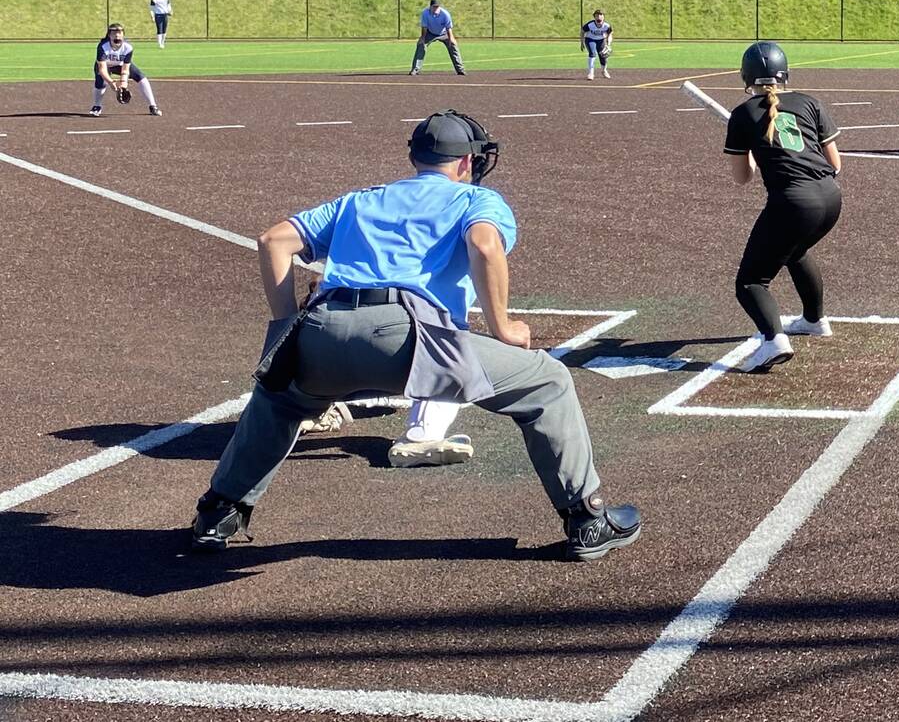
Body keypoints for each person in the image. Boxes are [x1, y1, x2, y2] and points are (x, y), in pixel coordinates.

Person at [188, 110, 641, 560]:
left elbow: (274, 241)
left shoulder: (360, 199)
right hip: (410, 336)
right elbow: (484, 246)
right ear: (466, 163)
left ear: (417, 158)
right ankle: (587, 519)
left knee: (281, 401)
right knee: (549, 381)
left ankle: (219, 513)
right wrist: (503, 326)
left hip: (324, 329)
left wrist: (287, 329)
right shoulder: (475, 201)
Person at [723, 42, 843, 373]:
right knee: (794, 251)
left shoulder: (744, 113)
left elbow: (742, 178)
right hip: (831, 197)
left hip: (793, 202)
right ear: (784, 73)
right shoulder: (809, 102)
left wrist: (750, 152)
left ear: (746, 77)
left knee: (750, 281)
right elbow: (835, 163)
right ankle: (814, 320)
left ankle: (773, 339)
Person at [90, 23, 160, 118]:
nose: (117, 35)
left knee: (141, 77)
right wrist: (111, 83)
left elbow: (126, 68)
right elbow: (102, 69)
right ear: (109, 35)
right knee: (101, 83)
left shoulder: (128, 47)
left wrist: (124, 82)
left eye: (120, 33)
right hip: (105, 65)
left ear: (123, 35)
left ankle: (153, 106)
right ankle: (97, 106)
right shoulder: (103, 46)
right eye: (114, 33)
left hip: (120, 65)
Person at [410, 0, 466, 76]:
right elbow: (424, 27)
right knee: (421, 45)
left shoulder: (445, 14)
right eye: (434, 7)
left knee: (453, 46)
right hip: (430, 33)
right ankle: (415, 70)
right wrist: (422, 38)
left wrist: (451, 39)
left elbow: (448, 28)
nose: (436, 8)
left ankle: (460, 70)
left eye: (437, 7)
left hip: (444, 33)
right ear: (430, 7)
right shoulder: (425, 13)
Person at [582, 9, 613, 80]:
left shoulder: (606, 25)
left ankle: (604, 70)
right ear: (594, 17)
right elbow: (582, 31)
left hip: (601, 40)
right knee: (592, 53)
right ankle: (591, 73)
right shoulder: (590, 25)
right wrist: (582, 42)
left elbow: (610, 33)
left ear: (603, 17)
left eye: (601, 15)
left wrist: (608, 44)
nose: (599, 17)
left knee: (603, 55)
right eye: (597, 16)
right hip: (590, 39)